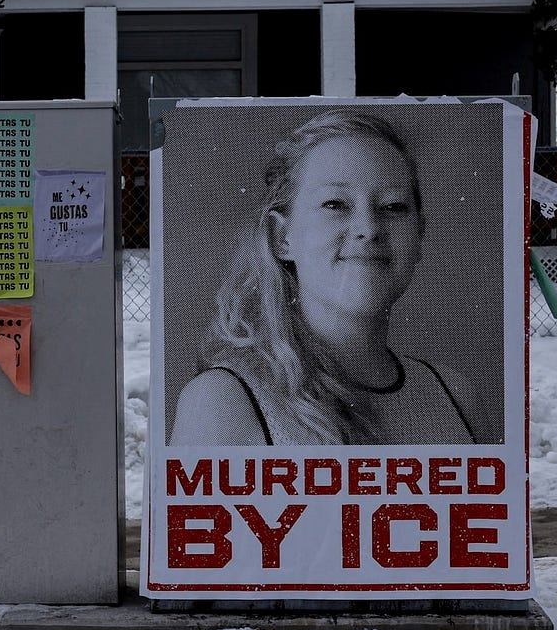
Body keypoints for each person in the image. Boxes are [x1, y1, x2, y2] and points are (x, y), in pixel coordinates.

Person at [169, 109, 491, 446]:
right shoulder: (224, 401)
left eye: (394, 207)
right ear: (283, 237)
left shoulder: (456, 397)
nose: (369, 229)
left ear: (419, 234)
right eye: (335, 204)